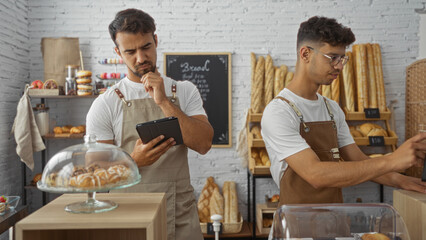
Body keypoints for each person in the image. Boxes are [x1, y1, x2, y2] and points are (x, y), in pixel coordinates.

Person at [261, 16, 426, 205]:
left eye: (342, 59)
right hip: (297, 228)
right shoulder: (279, 111)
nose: (339, 66)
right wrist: (392, 160)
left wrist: (401, 180)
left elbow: (357, 160)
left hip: (335, 221)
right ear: (305, 54)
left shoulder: (332, 109)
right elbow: (315, 174)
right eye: (332, 58)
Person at [86, 8, 213, 240]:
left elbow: (204, 143)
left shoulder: (183, 91)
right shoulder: (105, 104)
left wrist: (164, 102)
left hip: (180, 216)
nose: (141, 58)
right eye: (130, 51)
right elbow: (95, 175)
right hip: (127, 217)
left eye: (146, 47)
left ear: (155, 40)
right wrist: (133, 161)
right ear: (117, 52)